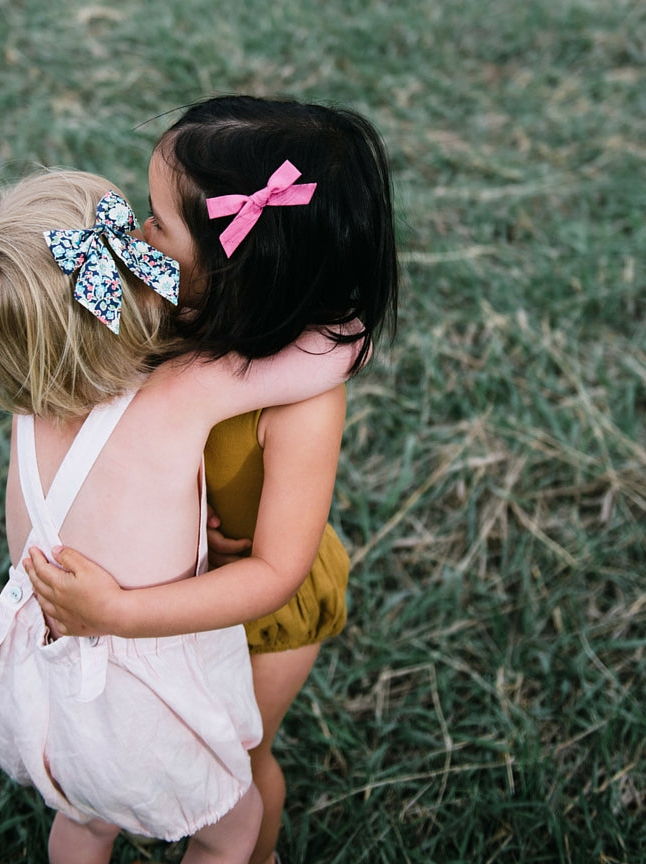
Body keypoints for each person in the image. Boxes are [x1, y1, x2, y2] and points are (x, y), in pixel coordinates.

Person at [0, 167, 362, 864]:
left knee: (82, 823)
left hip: (49, 691)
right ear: (124, 283)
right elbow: (341, 345)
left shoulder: (28, 405)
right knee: (234, 827)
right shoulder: (179, 393)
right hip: (147, 695)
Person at [27, 97, 399, 864]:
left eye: (158, 220)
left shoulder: (304, 399)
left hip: (253, 616)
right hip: (163, 576)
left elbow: (275, 572)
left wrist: (118, 613)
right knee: (121, 772)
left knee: (233, 773)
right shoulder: (168, 309)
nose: (137, 231)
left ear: (240, 269)